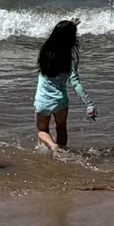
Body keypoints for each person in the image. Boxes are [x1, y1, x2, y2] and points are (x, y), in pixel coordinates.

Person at [33, 19, 95, 154]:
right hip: (61, 101)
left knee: (42, 130)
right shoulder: (69, 59)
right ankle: (61, 152)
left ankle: (52, 146)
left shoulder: (44, 53)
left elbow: (56, 36)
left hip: (43, 100)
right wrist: (89, 104)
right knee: (61, 128)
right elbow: (76, 84)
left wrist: (68, 27)